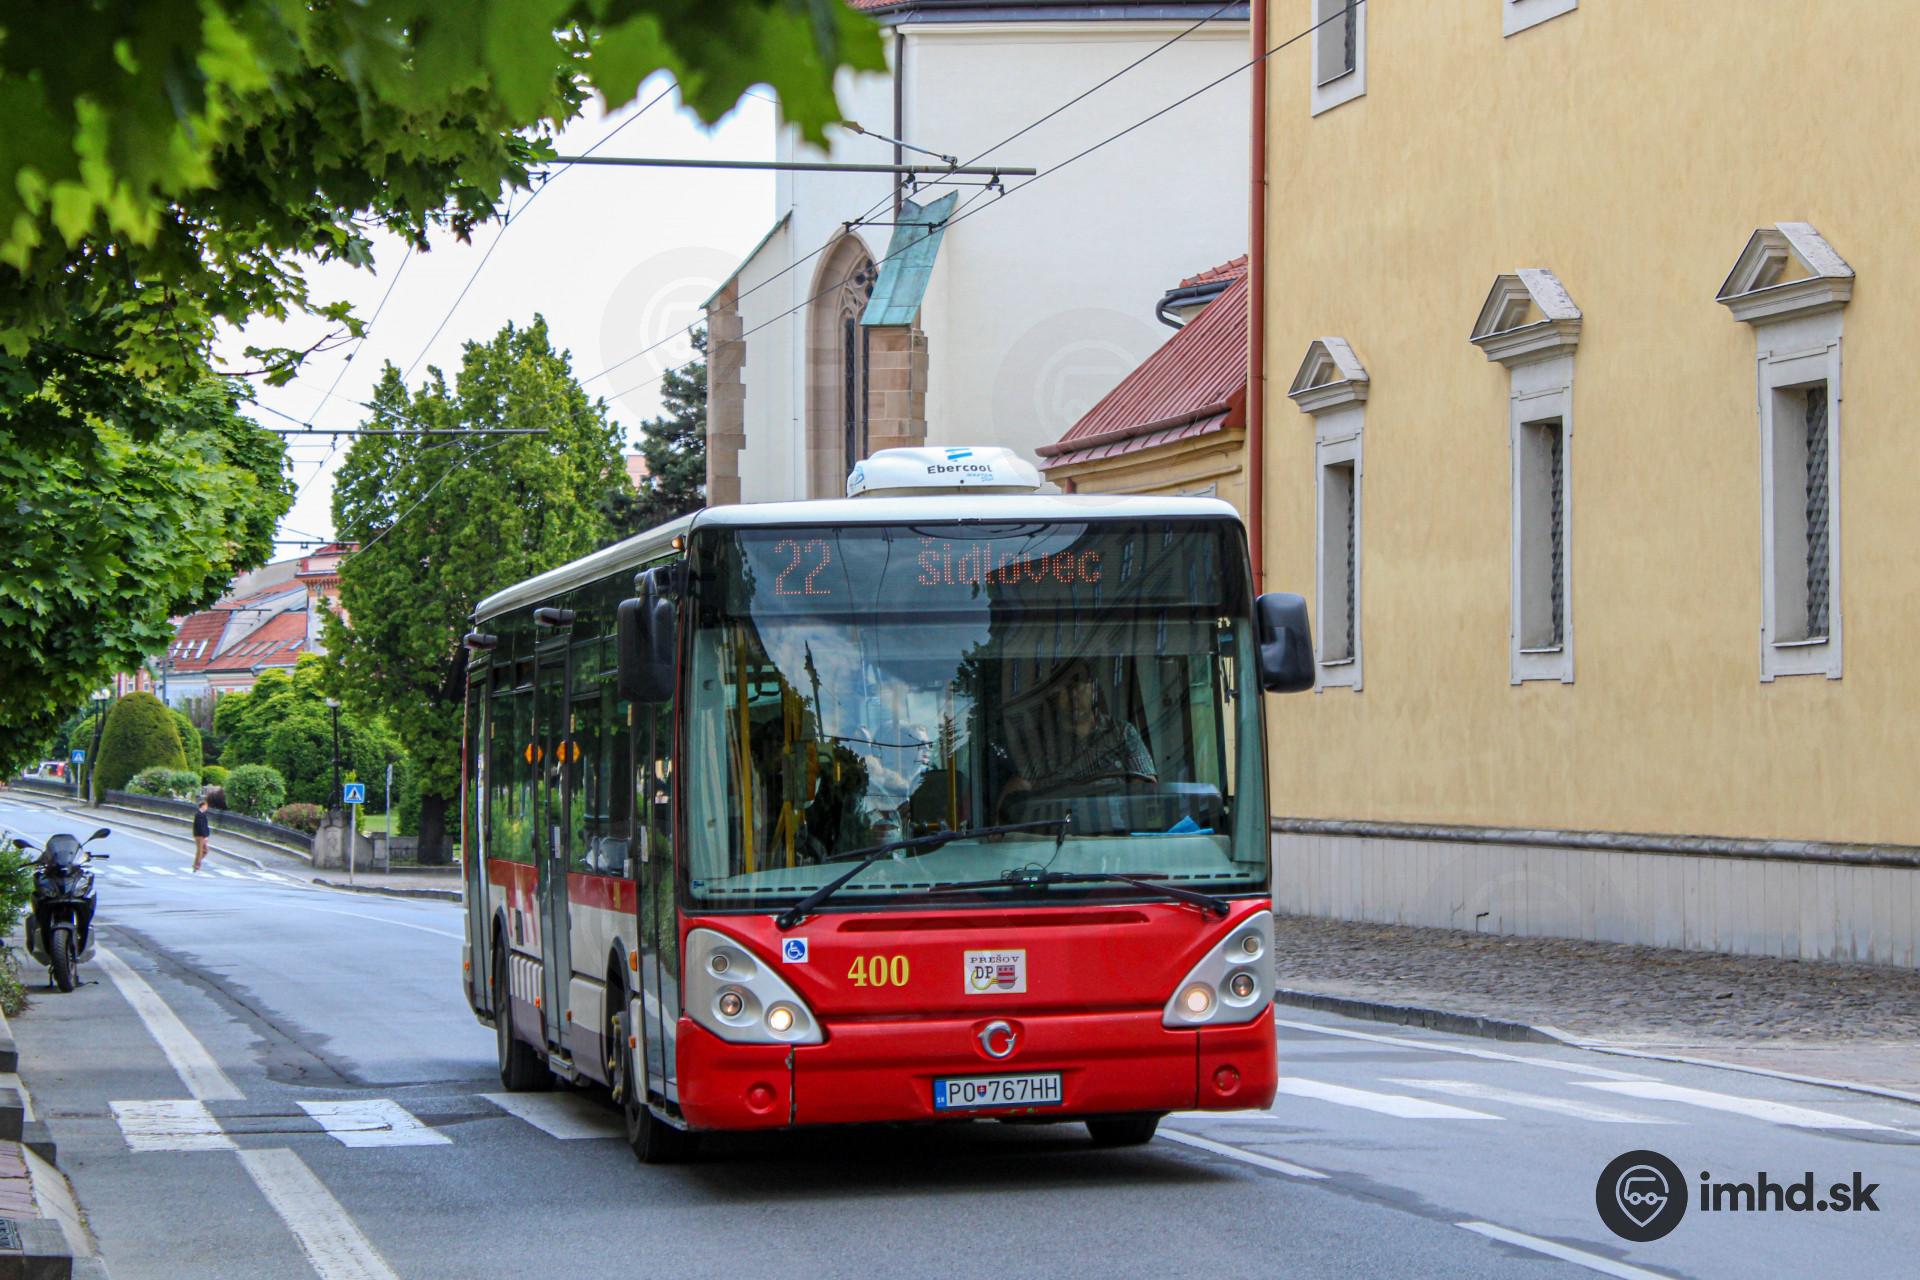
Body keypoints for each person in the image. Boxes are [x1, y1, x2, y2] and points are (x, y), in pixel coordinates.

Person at [1000, 665, 1155, 815]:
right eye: (1066, 688)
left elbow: (1145, 785)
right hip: (1060, 829)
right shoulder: (1041, 744)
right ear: (1054, 696)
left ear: (1092, 689)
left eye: (1079, 686)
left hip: (1116, 829)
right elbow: (1019, 786)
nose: (1074, 695)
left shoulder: (1121, 733)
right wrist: (1004, 818)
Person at [192, 795, 212, 872]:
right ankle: (196, 866)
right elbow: (201, 826)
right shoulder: (199, 815)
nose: (207, 808)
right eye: (206, 806)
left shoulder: (202, 815)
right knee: (200, 851)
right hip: (200, 836)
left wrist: (207, 835)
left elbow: (205, 826)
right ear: (202, 806)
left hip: (202, 835)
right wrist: (205, 836)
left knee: (205, 850)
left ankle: (196, 864)